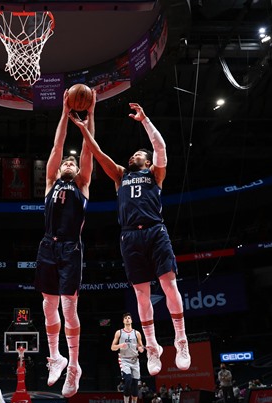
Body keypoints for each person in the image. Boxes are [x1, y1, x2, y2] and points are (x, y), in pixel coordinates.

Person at [69, 103, 191, 375]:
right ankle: (151, 346)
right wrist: (82, 128)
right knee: (141, 293)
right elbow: (99, 154)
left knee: (169, 286)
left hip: (154, 230)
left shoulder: (155, 174)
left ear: (146, 162)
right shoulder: (120, 175)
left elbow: (160, 148)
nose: (133, 155)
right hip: (129, 237)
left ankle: (181, 339)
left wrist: (145, 120)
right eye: (134, 153)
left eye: (138, 154)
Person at [35, 88, 94, 398]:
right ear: (57, 171)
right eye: (66, 164)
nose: (70, 164)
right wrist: (62, 112)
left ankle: (74, 365)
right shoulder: (50, 182)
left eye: (73, 164)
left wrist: (90, 115)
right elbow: (59, 144)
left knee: (69, 309)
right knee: (48, 306)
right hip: (47, 246)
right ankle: (55, 356)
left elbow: (86, 150)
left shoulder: (82, 185)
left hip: (71, 248)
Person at [110, 312, 145, 403]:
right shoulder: (119, 332)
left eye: (129, 318)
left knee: (135, 386)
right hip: (124, 359)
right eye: (125, 318)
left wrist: (140, 348)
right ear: (123, 321)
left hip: (135, 360)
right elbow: (112, 347)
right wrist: (120, 345)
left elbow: (141, 349)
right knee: (128, 380)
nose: (127, 319)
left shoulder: (137, 333)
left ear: (131, 320)